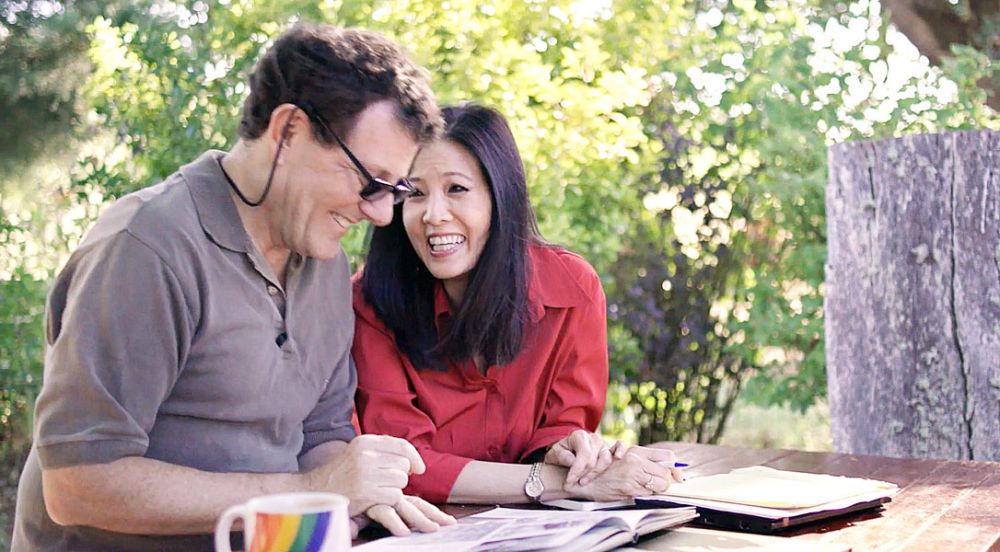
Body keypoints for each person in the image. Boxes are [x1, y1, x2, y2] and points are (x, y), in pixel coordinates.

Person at [12, 23, 456, 551]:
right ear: (288, 131)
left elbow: (320, 436)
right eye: (370, 182)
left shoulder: (326, 265)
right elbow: (75, 485)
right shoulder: (147, 248)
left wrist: (356, 498)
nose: (382, 214)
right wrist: (309, 490)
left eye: (395, 190)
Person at [353, 104, 683, 505]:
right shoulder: (369, 303)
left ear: (500, 195)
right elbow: (403, 466)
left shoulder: (572, 290)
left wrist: (570, 451)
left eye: (457, 189)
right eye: (416, 193)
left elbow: (561, 424)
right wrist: (559, 483)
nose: (433, 215)